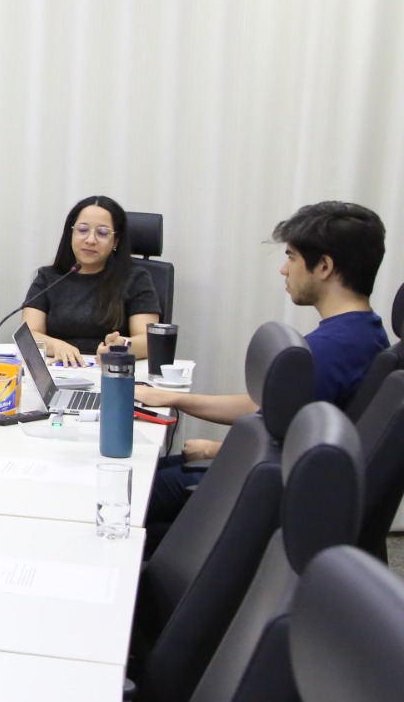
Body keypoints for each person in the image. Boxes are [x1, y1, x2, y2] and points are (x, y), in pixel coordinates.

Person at [137, 201, 388, 526]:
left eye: (291, 257)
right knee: (151, 469)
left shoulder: (330, 349)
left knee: (131, 484)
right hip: (280, 475)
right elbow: (269, 407)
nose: (284, 269)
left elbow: (279, 438)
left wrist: (214, 449)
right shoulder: (362, 332)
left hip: (269, 484)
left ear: (324, 267)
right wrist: (176, 398)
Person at [23, 196, 162, 366]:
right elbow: (28, 336)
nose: (90, 240)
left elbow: (149, 341)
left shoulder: (136, 279)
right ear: (71, 234)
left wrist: (121, 347)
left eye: (102, 233)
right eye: (82, 230)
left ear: (116, 241)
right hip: (58, 370)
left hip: (112, 371)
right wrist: (57, 346)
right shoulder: (48, 278)